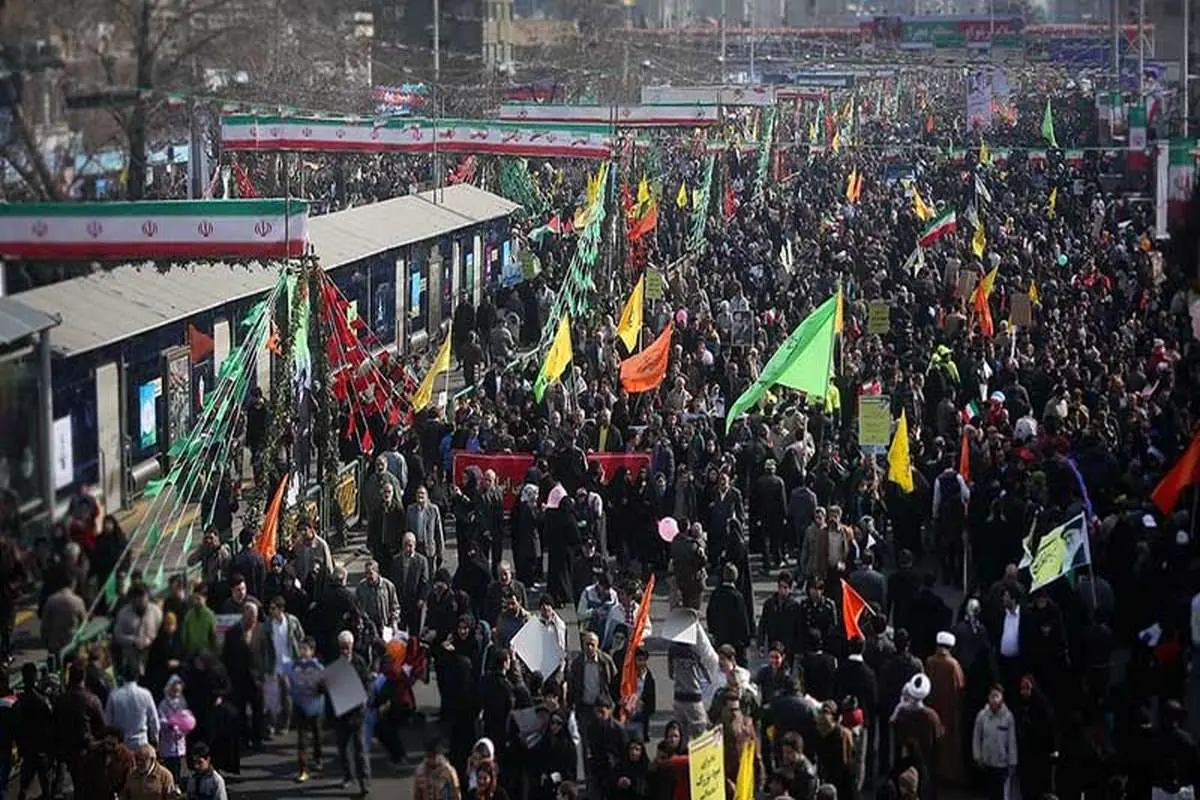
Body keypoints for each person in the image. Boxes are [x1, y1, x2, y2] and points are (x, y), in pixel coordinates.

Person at [329, 630, 371, 796]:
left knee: (360, 751)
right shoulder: (335, 664)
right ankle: (348, 776)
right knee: (343, 749)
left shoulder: (359, 663)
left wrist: (363, 700)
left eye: (347, 647)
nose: (345, 650)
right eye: (342, 647)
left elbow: (367, 684)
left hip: (357, 714)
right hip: (341, 713)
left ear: (352, 646)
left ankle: (364, 783)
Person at [971, 685, 1017, 800]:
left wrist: (1013, 761)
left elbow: (1011, 741)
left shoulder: (1008, 717)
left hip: (1002, 764)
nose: (994, 699)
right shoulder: (982, 716)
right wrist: (977, 756)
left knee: (1003, 795)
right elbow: (977, 737)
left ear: (1002, 698)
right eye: (992, 696)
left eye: (997, 696)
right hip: (987, 763)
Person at [290, 636, 326, 782]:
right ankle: (303, 769)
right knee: (302, 740)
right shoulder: (295, 666)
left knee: (317, 734)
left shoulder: (318, 667)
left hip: (315, 706)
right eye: (301, 649)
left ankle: (318, 757)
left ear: (312, 651)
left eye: (305, 649)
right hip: (300, 707)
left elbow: (324, 686)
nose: (302, 652)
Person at [106, 663, 160, 749]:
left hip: (121, 745)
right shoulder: (145, 694)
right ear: (137, 676)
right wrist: (155, 738)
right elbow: (154, 720)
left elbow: (108, 722)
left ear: (123, 676)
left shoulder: (114, 695)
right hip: (141, 743)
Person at [407, 484, 446, 571]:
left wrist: (440, 552)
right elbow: (407, 530)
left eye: (422, 493)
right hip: (415, 548)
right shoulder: (410, 509)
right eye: (418, 493)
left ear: (427, 496)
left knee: (430, 574)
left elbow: (438, 532)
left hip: (429, 549)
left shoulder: (433, 509)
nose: (420, 495)